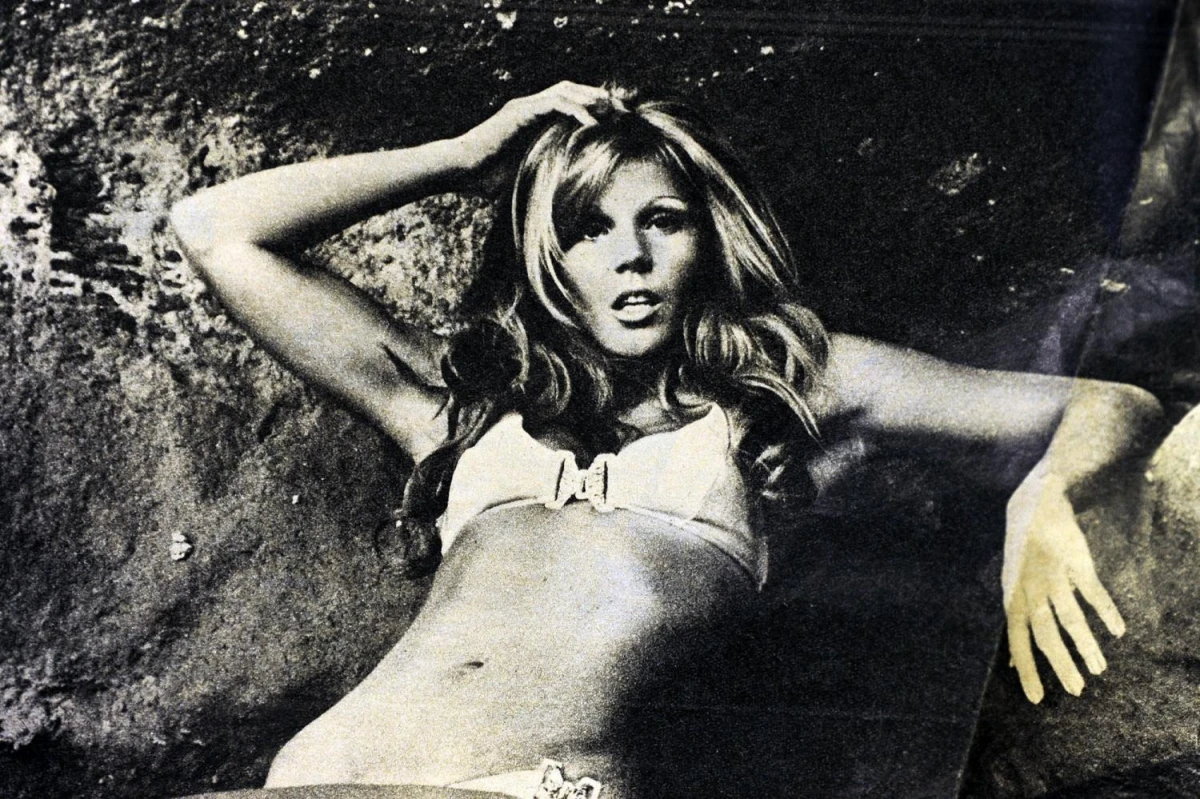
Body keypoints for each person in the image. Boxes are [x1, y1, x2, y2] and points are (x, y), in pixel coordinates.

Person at [168, 81, 1163, 799]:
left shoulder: (788, 391)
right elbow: (216, 227)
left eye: (663, 221)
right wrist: (467, 154)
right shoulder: (462, 410)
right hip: (321, 772)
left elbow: (1110, 404)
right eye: (589, 228)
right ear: (548, 256)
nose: (632, 258)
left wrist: (1044, 495)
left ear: (708, 238)